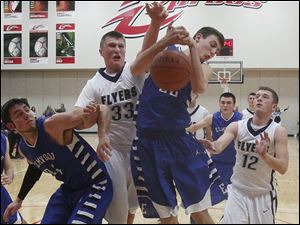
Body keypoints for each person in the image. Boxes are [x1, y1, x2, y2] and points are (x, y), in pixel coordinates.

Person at [74, 3, 168, 223]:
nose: (117, 50)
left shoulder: (132, 71)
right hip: (112, 150)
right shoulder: (94, 84)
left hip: (141, 147)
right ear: (101, 51)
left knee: (132, 206)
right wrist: (86, 114)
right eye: (111, 46)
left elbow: (146, 50)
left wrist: (155, 22)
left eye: (120, 46)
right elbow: (77, 114)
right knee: (117, 207)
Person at [130, 21, 227, 223]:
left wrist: (191, 47)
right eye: (212, 45)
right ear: (198, 36)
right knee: (166, 215)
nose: (213, 52)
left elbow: (199, 88)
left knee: (199, 211)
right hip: (147, 143)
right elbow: (136, 66)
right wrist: (166, 39)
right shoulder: (167, 50)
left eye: (216, 51)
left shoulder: (204, 68)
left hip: (177, 142)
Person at [2, 98, 113, 224]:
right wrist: (18, 200)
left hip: (95, 184)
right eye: (19, 114)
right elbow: (34, 169)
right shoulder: (24, 148)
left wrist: (103, 136)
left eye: (27, 110)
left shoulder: (52, 125)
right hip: (68, 190)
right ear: (11, 126)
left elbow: (103, 108)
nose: (27, 115)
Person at [200, 86, 289, 224]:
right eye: (258, 96)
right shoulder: (237, 126)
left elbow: (283, 167)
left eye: (265, 96)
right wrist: (211, 146)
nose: (259, 98)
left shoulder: (278, 131)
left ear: (274, 106)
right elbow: (219, 145)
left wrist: (264, 155)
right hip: (237, 192)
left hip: (263, 194)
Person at [187, 92, 242, 198]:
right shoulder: (212, 118)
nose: (225, 105)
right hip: (217, 162)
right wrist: (177, 131)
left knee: (234, 197)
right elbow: (194, 127)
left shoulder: (241, 119)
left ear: (234, 105)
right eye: (223, 102)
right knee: (206, 196)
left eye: (228, 103)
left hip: (235, 164)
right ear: (219, 104)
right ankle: (196, 213)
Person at [1, 131, 26, 224]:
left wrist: (9, 177)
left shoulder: (4, 139)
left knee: (18, 221)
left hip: (2, 195)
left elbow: (8, 168)